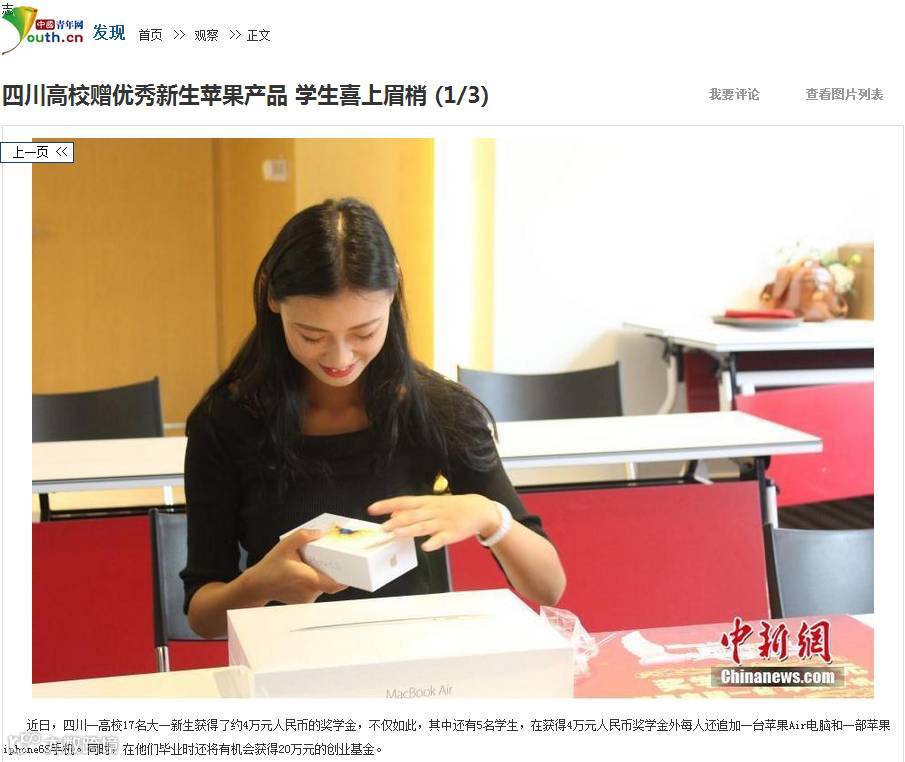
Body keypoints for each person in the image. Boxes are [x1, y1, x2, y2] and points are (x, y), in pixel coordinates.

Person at [181, 197, 566, 639]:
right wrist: (258, 585)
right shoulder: (226, 422)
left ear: (394, 288)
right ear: (272, 297)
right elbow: (202, 617)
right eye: (311, 335)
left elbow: (548, 587)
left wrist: (489, 516)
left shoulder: (436, 408)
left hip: (416, 659)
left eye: (364, 332)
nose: (339, 358)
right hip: (287, 663)